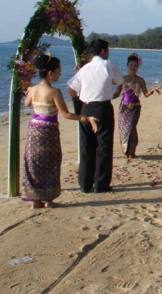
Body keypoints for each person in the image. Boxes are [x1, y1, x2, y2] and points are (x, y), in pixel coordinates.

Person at [22, 55, 98, 209]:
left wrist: (29, 90)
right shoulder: (54, 92)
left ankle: (36, 200)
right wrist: (86, 118)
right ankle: (48, 200)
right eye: (58, 71)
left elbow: (27, 103)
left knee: (34, 162)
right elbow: (66, 114)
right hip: (49, 132)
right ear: (50, 73)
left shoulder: (34, 89)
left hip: (34, 130)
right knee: (51, 162)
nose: (60, 74)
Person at [67, 39, 124, 193]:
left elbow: (72, 90)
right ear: (103, 51)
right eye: (108, 50)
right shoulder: (108, 65)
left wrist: (79, 106)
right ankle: (101, 183)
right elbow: (120, 81)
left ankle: (85, 183)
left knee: (86, 146)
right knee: (103, 146)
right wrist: (116, 93)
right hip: (102, 107)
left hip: (86, 107)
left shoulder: (84, 69)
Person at [113, 52, 160, 161]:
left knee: (131, 128)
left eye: (135, 65)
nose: (133, 68)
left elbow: (146, 94)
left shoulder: (140, 80)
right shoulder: (122, 79)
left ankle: (132, 151)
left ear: (138, 66)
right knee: (123, 129)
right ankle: (126, 152)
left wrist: (152, 90)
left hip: (135, 108)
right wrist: (105, 96)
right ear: (127, 67)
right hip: (124, 108)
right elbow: (117, 94)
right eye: (131, 66)